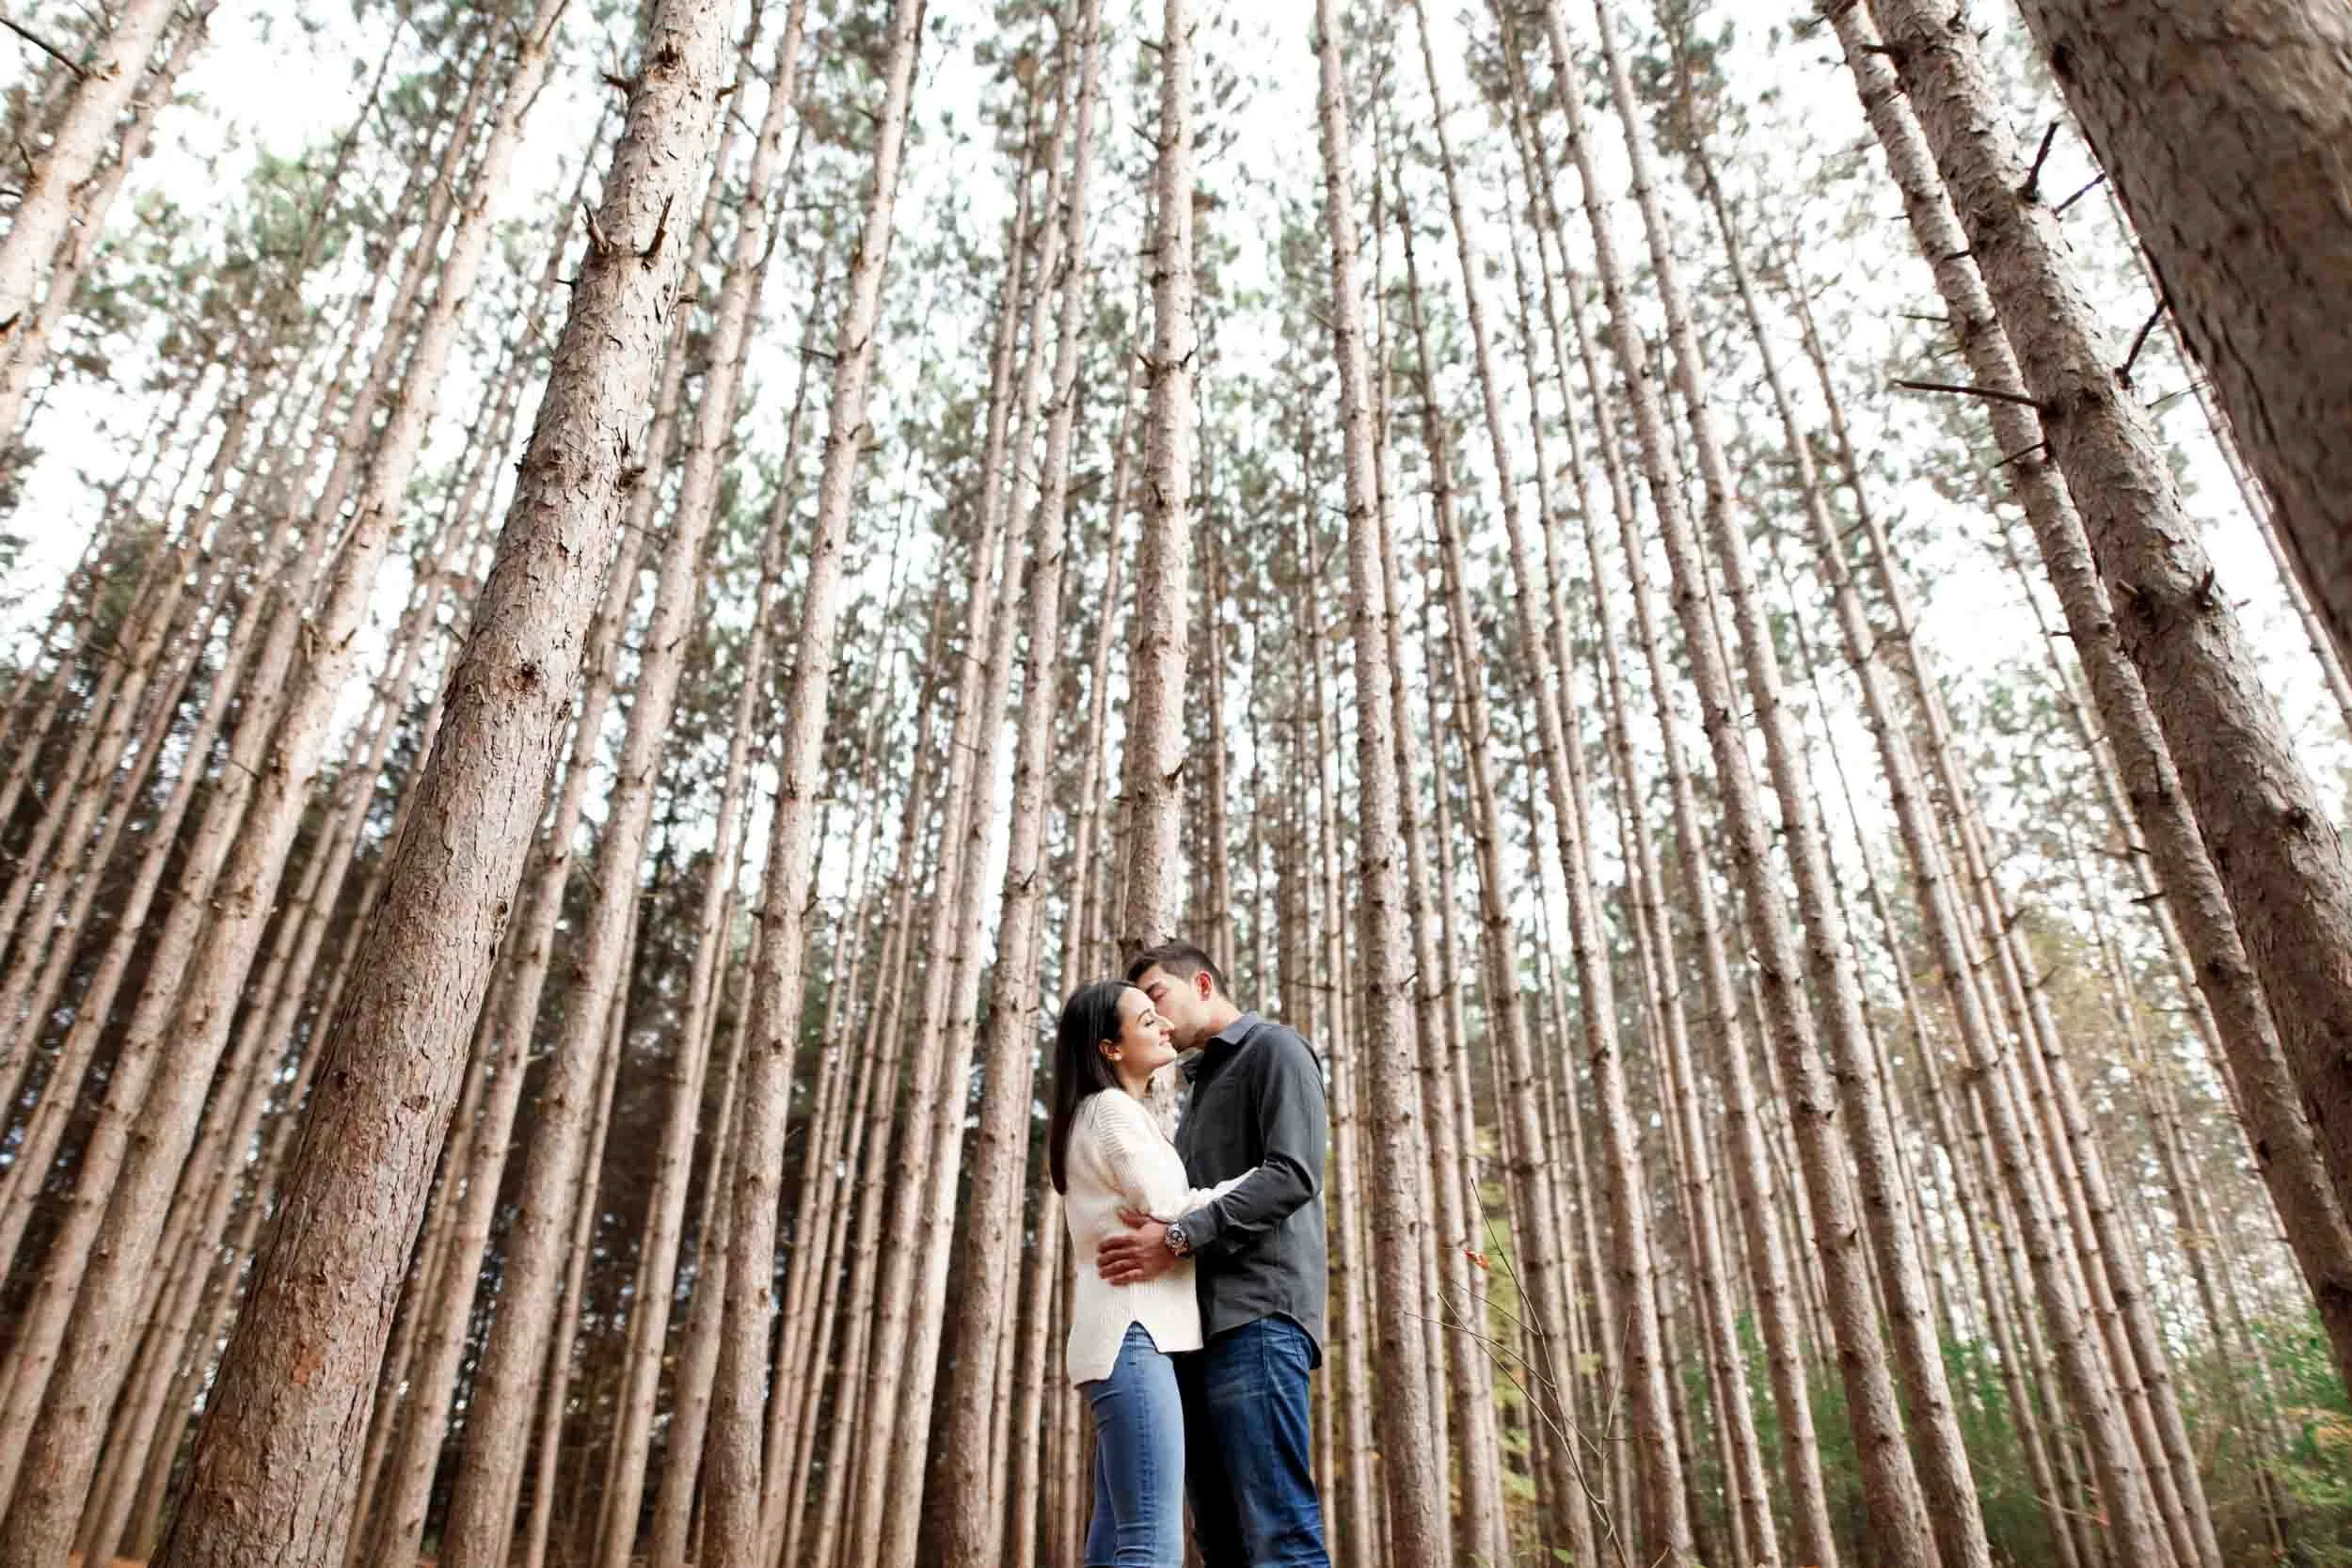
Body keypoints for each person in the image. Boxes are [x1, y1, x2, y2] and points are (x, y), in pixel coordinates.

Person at [1098, 941, 1332, 1568]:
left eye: (1156, 998)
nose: (1157, 1020)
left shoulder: (1276, 1050)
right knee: (1221, 1543)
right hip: (1193, 1340)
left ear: (1202, 983)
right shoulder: (1194, 1098)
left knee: (1279, 1534)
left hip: (1259, 1319)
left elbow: (1292, 1173)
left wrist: (1176, 1237)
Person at [1048, 978, 1243, 1568]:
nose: (1163, 1023)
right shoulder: (1110, 1111)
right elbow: (1164, 1204)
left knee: (1115, 1540)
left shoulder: (1106, 1112)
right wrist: (1254, 1187)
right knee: (1150, 1541)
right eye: (1144, 1019)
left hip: (1126, 1339)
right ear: (1110, 1048)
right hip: (1135, 1337)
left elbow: (1167, 1207)